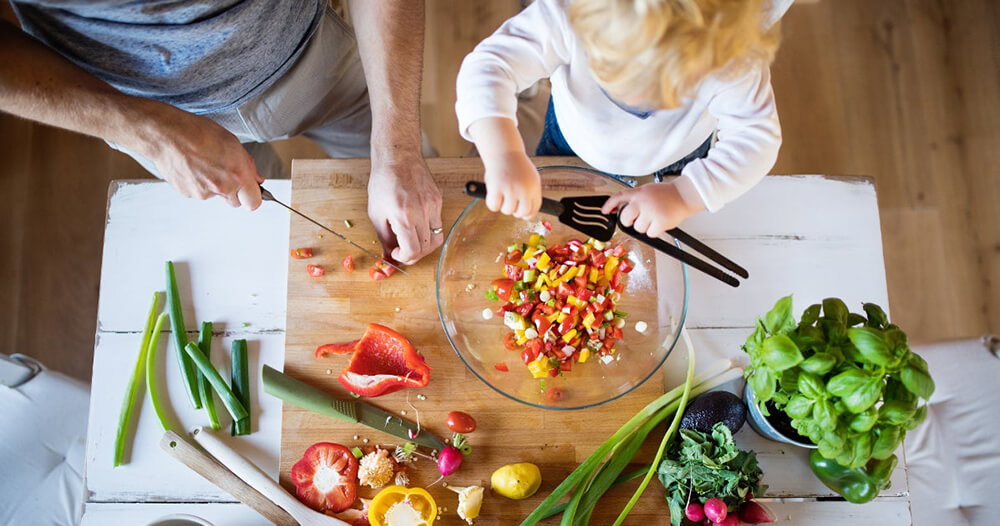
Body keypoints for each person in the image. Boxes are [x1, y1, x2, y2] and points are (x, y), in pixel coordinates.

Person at [0, 0, 443, 265]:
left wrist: (398, 151)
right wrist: (152, 134)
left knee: (411, 190)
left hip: (311, 52)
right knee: (261, 234)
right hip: (141, 107)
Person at [455, 0, 786, 240]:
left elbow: (755, 137)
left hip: (678, 160)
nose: (639, 102)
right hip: (571, 142)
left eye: (667, 88)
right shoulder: (570, 12)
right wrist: (505, 155)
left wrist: (685, 196)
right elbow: (489, 66)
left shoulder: (731, 54)